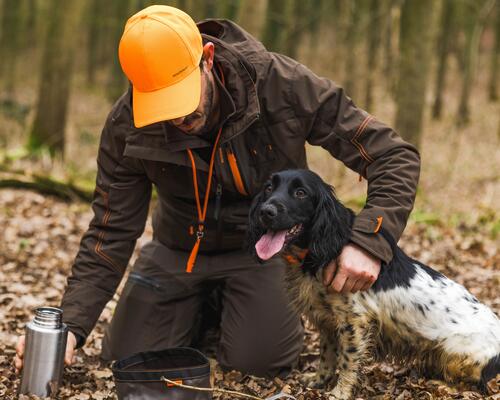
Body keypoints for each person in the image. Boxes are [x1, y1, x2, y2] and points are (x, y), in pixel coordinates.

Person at [15, 5, 420, 377]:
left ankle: (232, 309)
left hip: (267, 251)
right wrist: (69, 325)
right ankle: (202, 308)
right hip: (178, 251)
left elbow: (393, 156)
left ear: (207, 59)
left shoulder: (282, 84)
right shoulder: (127, 124)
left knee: (257, 363)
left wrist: (369, 240)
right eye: (163, 108)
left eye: (184, 103)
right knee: (126, 358)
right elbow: (110, 232)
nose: (178, 120)